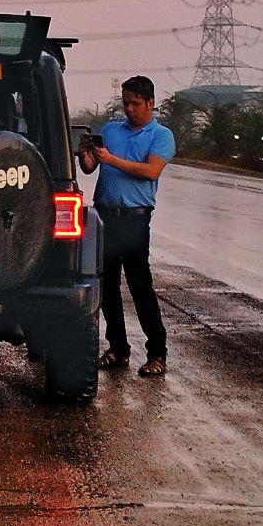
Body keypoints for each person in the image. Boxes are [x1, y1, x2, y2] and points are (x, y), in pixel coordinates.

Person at [77, 75, 176, 378]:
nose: (130, 109)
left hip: (135, 218)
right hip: (106, 214)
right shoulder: (110, 130)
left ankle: (157, 353)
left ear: (150, 103)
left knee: (139, 285)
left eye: (136, 103)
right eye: (126, 103)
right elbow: (91, 167)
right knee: (106, 285)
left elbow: (150, 171)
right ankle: (118, 347)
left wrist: (112, 159)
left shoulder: (161, 135)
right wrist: (86, 156)